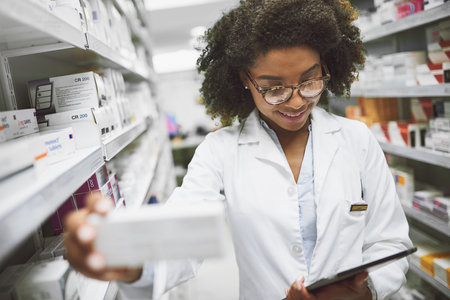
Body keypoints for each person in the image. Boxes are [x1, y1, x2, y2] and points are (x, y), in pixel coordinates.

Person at [64, 0, 413, 299]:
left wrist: (365, 293)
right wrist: (132, 263)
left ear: (327, 67)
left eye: (309, 81)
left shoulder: (356, 139)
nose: (295, 101)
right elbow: (183, 237)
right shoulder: (220, 151)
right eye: (273, 88)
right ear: (246, 80)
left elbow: (391, 242)